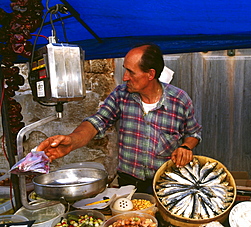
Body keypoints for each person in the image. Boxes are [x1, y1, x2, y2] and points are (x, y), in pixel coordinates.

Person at [36, 43, 202, 193]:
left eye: (131, 72)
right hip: (129, 183)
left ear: (150, 74)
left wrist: (186, 147)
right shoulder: (120, 95)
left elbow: (193, 134)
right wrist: (71, 141)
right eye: (125, 70)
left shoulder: (179, 100)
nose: (124, 77)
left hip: (165, 182)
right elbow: (96, 123)